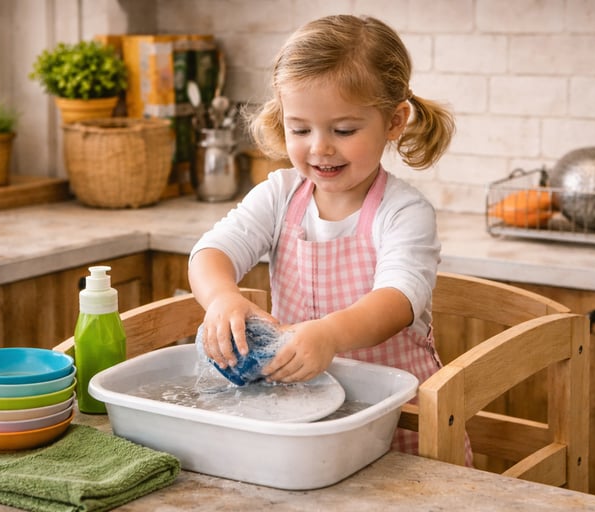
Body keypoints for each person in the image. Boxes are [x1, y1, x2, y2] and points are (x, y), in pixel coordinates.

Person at [188, 14, 458, 458]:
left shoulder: (404, 211)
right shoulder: (279, 195)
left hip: (396, 422)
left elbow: (398, 300)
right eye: (300, 129)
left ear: (394, 121)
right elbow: (211, 252)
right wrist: (221, 299)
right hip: (302, 418)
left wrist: (330, 335)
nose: (320, 147)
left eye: (344, 130)